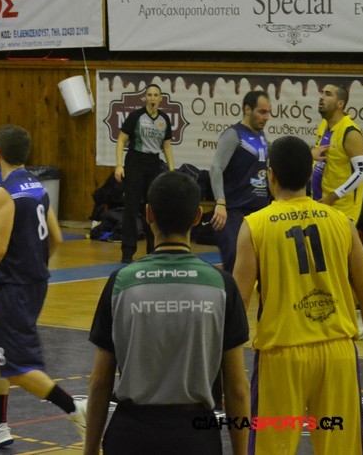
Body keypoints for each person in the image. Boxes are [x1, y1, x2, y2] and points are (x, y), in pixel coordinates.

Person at [84, 171, 249, 455]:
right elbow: (236, 388)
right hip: (195, 437)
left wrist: (89, 450)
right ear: (197, 217)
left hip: (131, 434)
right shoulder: (222, 285)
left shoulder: (120, 283)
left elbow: (100, 383)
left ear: (148, 213)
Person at [234, 135, 363, 455]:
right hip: (337, 352)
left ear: (271, 176)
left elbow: (238, 304)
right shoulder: (342, 222)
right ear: (310, 174)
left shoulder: (255, 225)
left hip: (282, 355)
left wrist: (230, 370)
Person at [0, 125, 85, 447]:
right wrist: (35, 263)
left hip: (16, 288)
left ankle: (74, 407)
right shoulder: (37, 186)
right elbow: (56, 237)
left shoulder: (5, 192)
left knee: (15, 367)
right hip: (33, 282)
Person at [208, 90, 271, 273]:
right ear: (247, 109)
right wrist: (220, 203)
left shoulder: (261, 137)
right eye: (262, 112)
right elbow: (216, 168)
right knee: (235, 261)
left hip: (258, 211)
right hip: (234, 210)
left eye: (268, 112)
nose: (266, 117)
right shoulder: (233, 135)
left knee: (263, 264)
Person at [114, 84, 175, 263]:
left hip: (153, 163)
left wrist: (171, 170)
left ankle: (152, 250)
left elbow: (167, 146)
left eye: (156, 95)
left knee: (152, 209)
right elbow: (121, 140)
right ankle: (127, 252)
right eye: (149, 95)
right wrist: (119, 165)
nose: (152, 98)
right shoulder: (136, 116)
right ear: (145, 98)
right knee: (131, 208)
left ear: (161, 99)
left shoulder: (164, 119)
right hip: (135, 161)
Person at [311, 83, 363, 224]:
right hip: (320, 204)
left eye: (328, 94)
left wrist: (333, 197)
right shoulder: (323, 126)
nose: (322, 97)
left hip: (342, 210)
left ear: (340, 104)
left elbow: (362, 172)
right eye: (322, 92)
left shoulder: (350, 132)